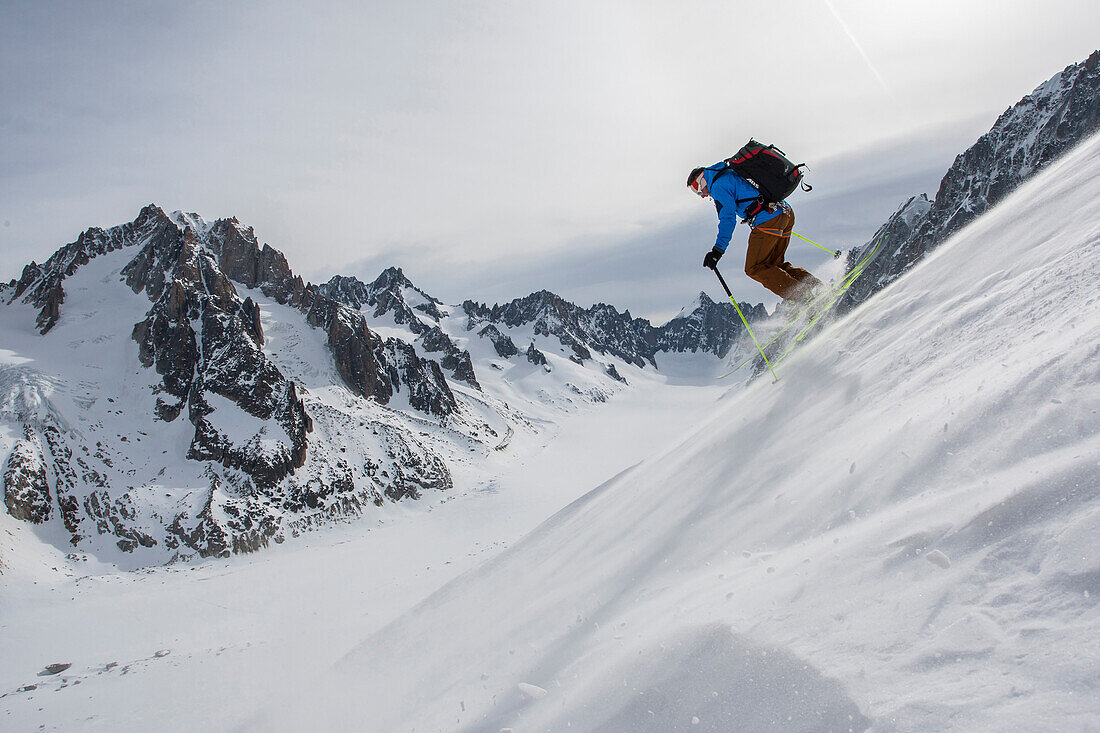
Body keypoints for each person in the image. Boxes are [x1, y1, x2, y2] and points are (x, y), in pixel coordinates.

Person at [687, 164, 822, 302]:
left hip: (768, 221)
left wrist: (717, 251)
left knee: (754, 268)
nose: (702, 195)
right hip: (785, 213)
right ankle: (817, 288)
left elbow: (727, 219)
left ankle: (802, 296)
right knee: (773, 265)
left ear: (702, 180)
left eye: (697, 190)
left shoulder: (717, 186)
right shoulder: (731, 172)